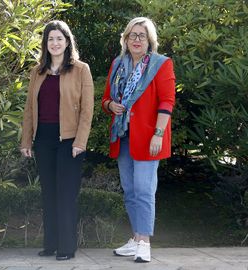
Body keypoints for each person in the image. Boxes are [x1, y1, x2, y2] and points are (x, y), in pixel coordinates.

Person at [101, 17, 175, 263]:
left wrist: (159, 133)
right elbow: (105, 100)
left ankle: (145, 242)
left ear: (150, 40)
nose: (136, 40)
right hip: (123, 136)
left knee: (144, 189)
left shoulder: (161, 64)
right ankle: (135, 239)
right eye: (132, 35)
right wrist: (112, 105)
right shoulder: (118, 64)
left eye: (142, 35)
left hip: (149, 137)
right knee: (130, 190)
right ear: (125, 39)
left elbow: (167, 101)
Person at [20, 20, 94, 261]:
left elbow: (87, 110)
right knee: (48, 193)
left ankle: (66, 247)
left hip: (70, 141)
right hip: (44, 140)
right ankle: (50, 244)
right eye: (50, 39)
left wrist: (80, 142)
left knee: (65, 194)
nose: (55, 43)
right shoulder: (37, 72)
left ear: (67, 41)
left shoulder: (81, 69)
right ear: (46, 43)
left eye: (59, 38)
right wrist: (26, 140)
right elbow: (30, 109)